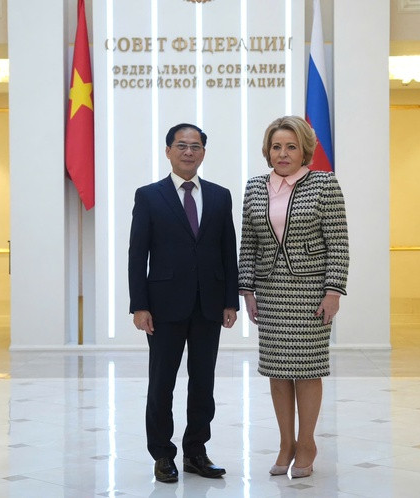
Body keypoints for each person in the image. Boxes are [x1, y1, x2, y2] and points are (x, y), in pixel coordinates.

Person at [238, 116, 349, 478]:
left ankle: (306, 442)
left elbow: (338, 243)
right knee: (277, 370)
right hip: (270, 291)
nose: (282, 153)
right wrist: (247, 289)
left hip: (310, 292)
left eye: (290, 146)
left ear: (304, 151)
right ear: (267, 151)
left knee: (307, 368)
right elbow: (249, 243)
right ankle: (285, 443)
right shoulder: (255, 187)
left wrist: (333, 291)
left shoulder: (324, 184)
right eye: (276, 146)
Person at [128, 123, 239, 483]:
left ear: (204, 152)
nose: (188, 151)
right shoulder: (149, 196)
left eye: (195, 146)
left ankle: (196, 452)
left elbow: (227, 251)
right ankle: (162, 454)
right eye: (181, 145)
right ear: (168, 151)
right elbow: (136, 254)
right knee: (161, 382)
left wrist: (230, 300)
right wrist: (139, 305)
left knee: (202, 382)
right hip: (162, 307)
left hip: (208, 305)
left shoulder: (220, 196)